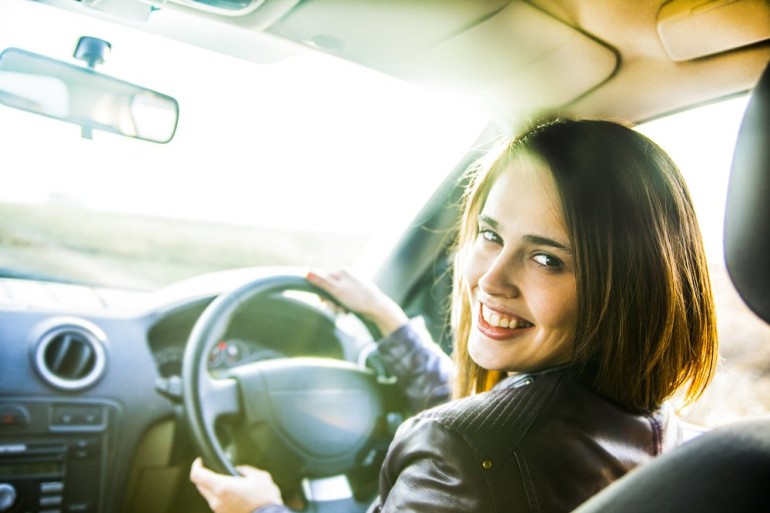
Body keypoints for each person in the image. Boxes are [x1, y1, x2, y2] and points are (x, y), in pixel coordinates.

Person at [189, 118, 719, 513]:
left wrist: (259, 509)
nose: (489, 280)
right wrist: (390, 323)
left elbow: (480, 441)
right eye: (490, 236)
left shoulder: (456, 456)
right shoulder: (649, 423)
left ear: (628, 288)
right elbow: (501, 423)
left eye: (546, 259)